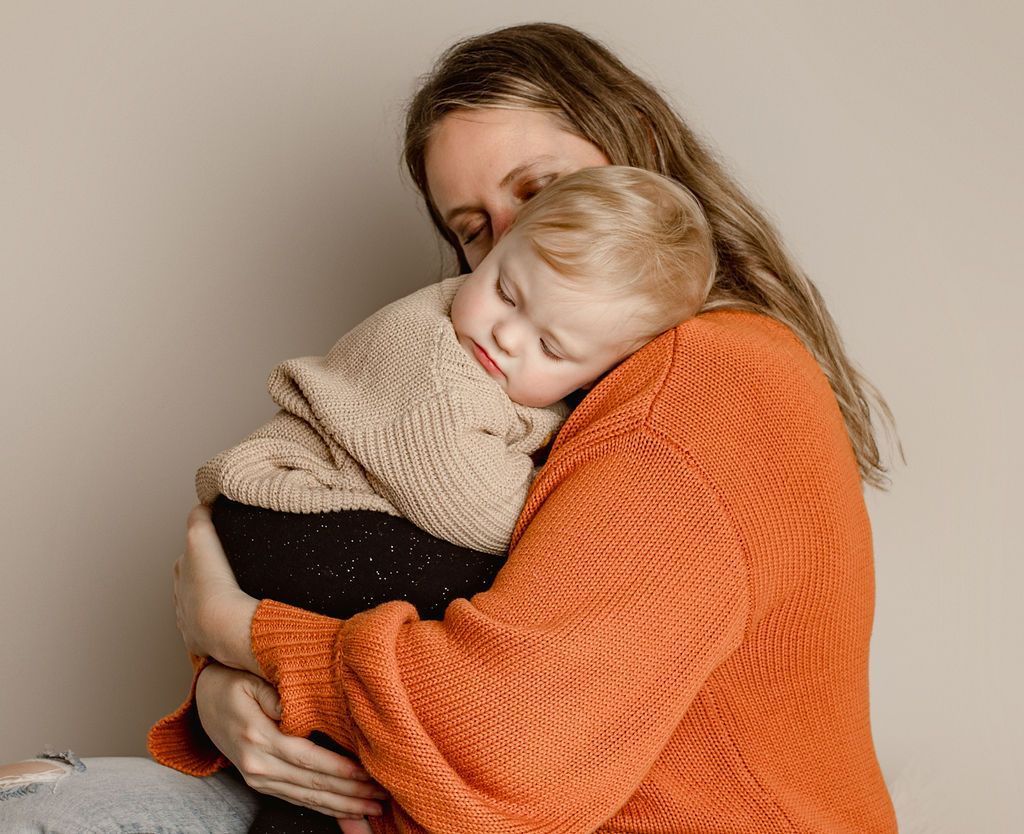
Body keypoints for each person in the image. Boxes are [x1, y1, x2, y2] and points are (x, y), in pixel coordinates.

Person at [0, 21, 900, 834]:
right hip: (404, 797)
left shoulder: (706, 377)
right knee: (34, 796)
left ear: (640, 158)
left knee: (44, 812)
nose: (520, 238)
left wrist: (241, 632)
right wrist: (228, 702)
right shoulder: (528, 395)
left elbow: (503, 734)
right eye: (476, 230)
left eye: (544, 187)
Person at [156, 164, 717, 834]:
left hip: (331, 533)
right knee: (491, 599)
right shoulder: (431, 358)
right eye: (507, 292)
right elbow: (467, 501)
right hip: (289, 518)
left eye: (551, 347)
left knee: (341, 769)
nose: (508, 336)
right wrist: (568, 509)